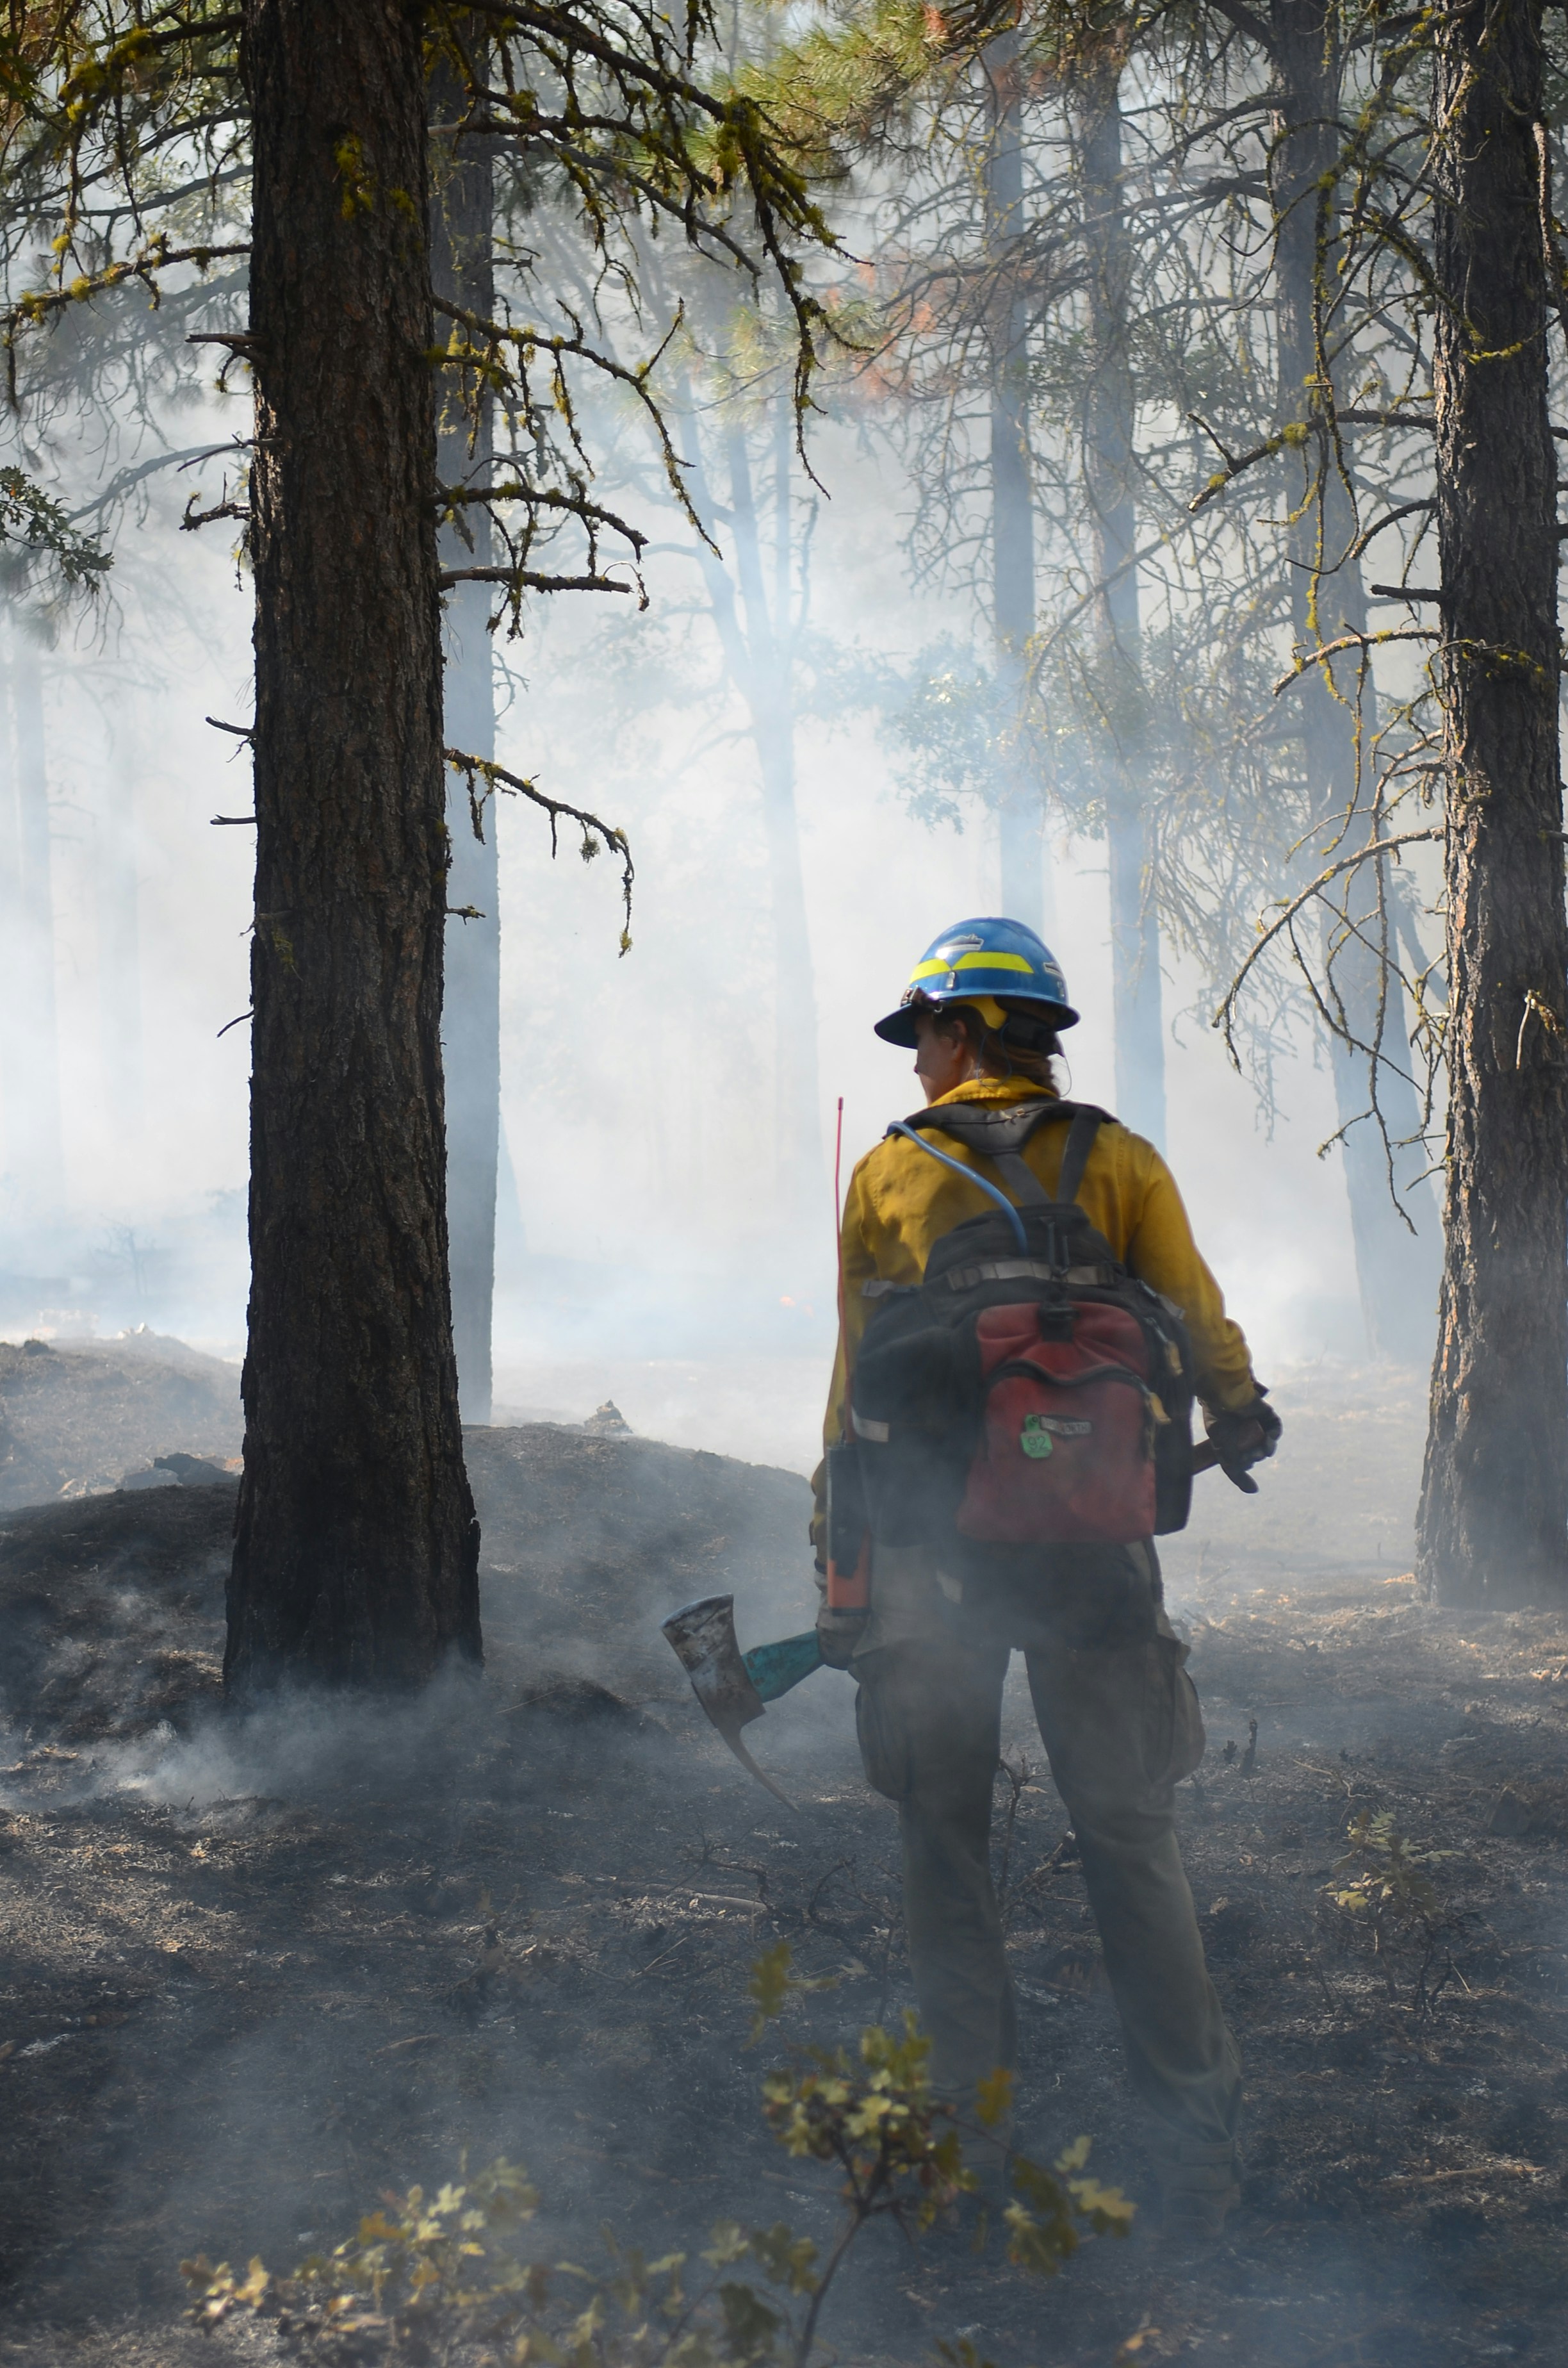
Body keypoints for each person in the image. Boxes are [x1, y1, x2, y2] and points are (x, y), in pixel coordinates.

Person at [812, 916, 1280, 2242]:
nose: (913, 1068)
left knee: (942, 1844)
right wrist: (1238, 1414)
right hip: (1091, 1546)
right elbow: (1192, 1308)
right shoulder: (1121, 1159)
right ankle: (1192, 2150)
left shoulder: (886, 1179)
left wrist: (836, 1556)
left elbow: (854, 1396)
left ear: (961, 1035)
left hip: (928, 1557)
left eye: (922, 1040)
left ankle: (959, 2155)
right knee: (1131, 1835)